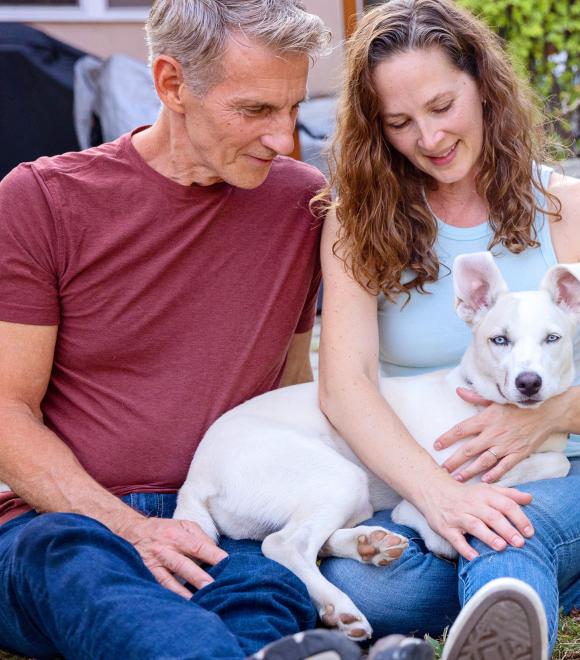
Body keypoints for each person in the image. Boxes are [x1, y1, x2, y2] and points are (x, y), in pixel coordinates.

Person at [314, 1, 580, 658]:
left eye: (442, 106)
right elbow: (344, 386)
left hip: (559, 472)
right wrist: (437, 495)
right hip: (413, 482)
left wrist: (544, 416)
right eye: (400, 123)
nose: (428, 138)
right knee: (376, 594)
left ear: (484, 87)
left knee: (507, 535)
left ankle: (520, 609)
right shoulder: (358, 224)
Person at [0, 2, 428, 659]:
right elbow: (6, 412)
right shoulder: (42, 200)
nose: (285, 139)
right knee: (80, 569)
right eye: (256, 110)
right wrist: (130, 527)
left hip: (223, 518)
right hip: (63, 521)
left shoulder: (297, 203)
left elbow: (290, 384)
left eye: (293, 109)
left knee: (266, 590)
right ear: (172, 84)